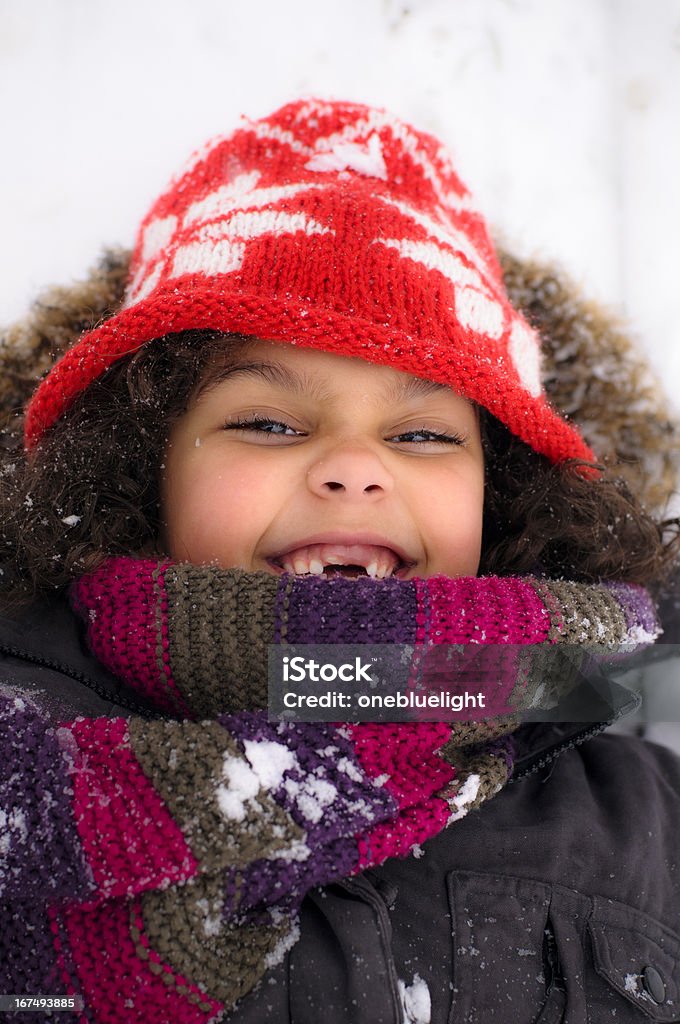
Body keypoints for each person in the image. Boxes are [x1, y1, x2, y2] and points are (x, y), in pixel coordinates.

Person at [1, 98, 679, 1023]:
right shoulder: (24, 756)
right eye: (269, 423)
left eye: (424, 433)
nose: (357, 468)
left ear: (505, 493)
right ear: (140, 467)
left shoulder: (648, 820)